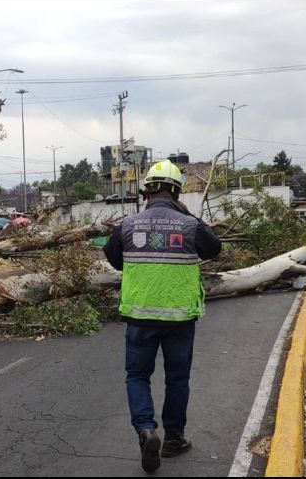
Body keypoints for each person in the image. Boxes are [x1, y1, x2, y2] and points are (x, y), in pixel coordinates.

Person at [103, 160, 222, 473]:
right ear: (176, 191)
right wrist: (187, 215)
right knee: (177, 379)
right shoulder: (190, 225)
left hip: (140, 318)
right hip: (180, 319)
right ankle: (174, 439)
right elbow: (214, 249)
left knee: (138, 376)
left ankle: (145, 429)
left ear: (147, 192)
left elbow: (115, 259)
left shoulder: (128, 226)